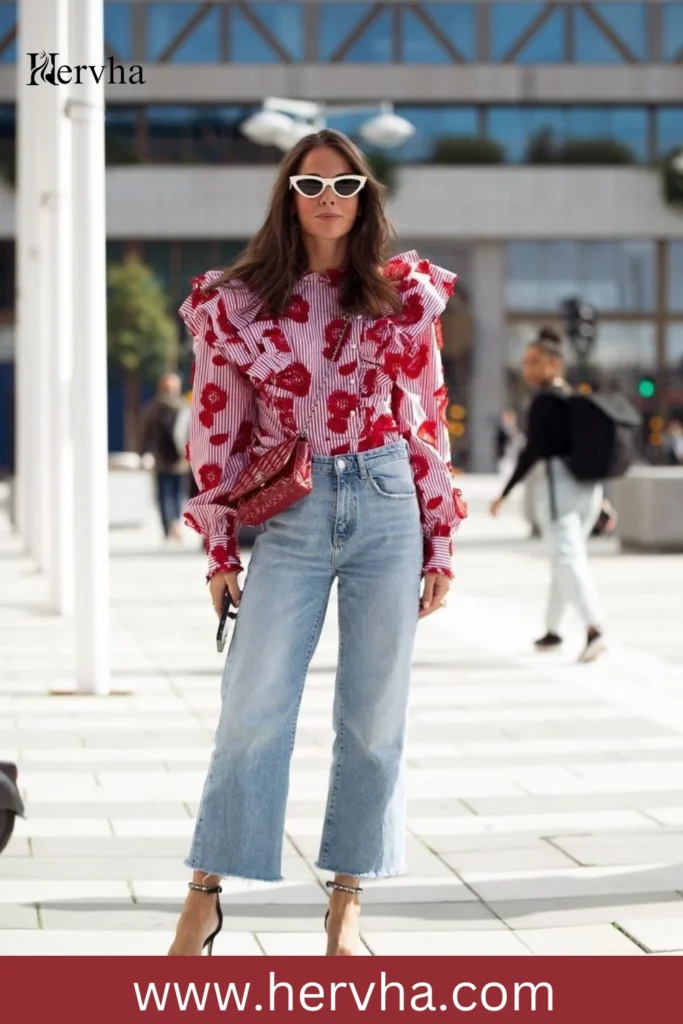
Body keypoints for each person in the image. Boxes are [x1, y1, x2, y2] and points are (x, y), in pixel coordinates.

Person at [168, 129, 461, 957]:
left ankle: (346, 898)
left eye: (344, 184)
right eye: (310, 184)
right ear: (287, 194)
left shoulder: (402, 293)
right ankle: (205, 891)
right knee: (251, 711)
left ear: (366, 195)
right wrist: (220, 548)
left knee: (373, 717)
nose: (328, 198)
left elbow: (426, 418)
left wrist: (439, 540)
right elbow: (216, 426)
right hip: (291, 515)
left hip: (385, 500)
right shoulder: (236, 302)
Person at [489, 326, 606, 663]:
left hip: (559, 488)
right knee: (564, 558)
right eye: (525, 362)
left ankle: (594, 627)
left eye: (534, 362)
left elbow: (532, 451)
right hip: (588, 490)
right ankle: (553, 630)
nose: (527, 368)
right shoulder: (573, 399)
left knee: (567, 557)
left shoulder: (543, 401)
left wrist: (505, 493)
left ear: (554, 364)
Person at [140, 372, 190, 541]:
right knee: (176, 493)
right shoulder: (183, 406)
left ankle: (169, 525)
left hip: (161, 459)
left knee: (164, 494)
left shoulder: (153, 407)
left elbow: (145, 434)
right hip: (179, 459)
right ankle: (174, 523)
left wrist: (144, 453)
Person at [495, 407, 524, 481]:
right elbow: (499, 444)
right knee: (505, 477)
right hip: (505, 458)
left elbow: (521, 443)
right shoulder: (501, 431)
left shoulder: (517, 430)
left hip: (515, 458)